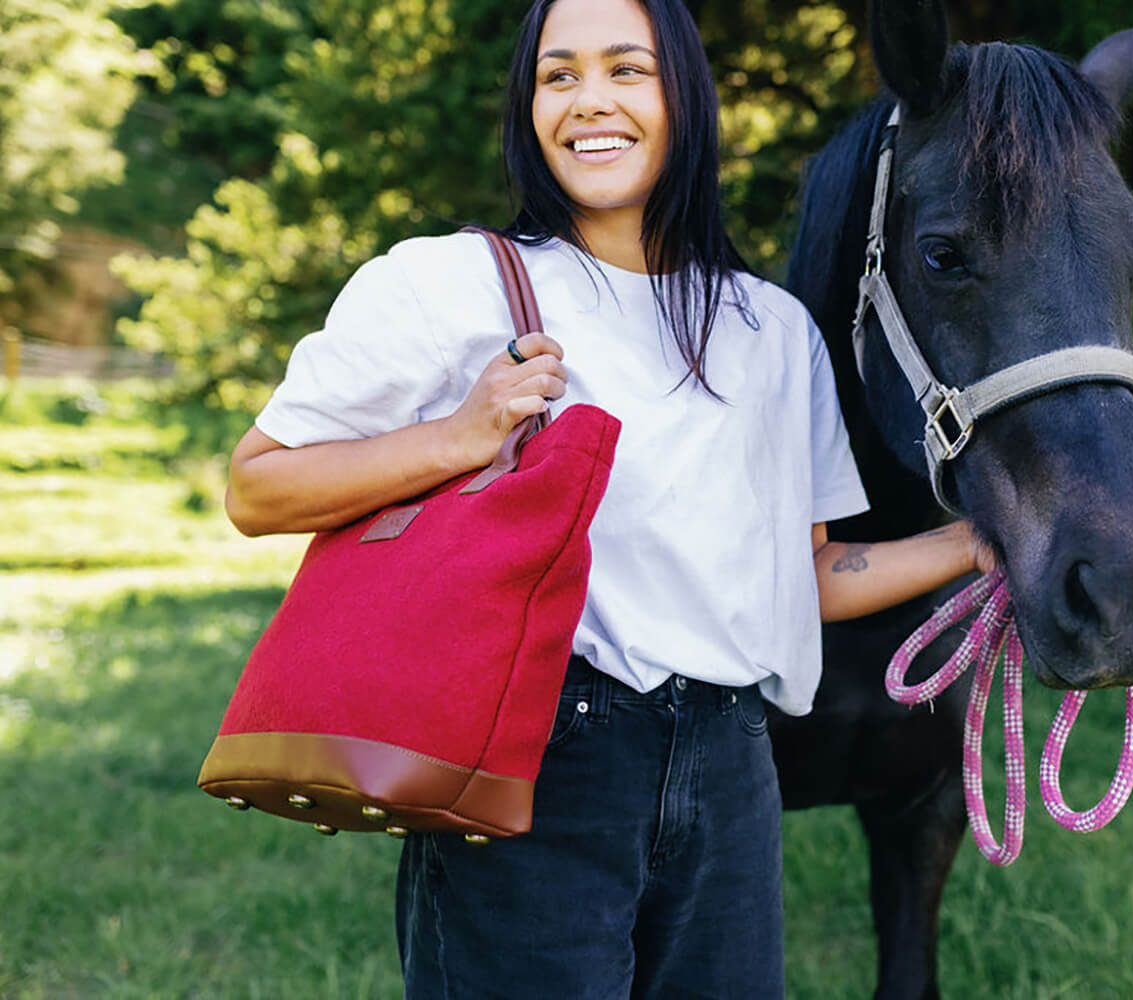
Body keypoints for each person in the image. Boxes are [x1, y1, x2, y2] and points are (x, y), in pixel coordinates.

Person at [225, 0, 992, 995]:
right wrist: (459, 436)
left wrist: (975, 543)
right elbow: (259, 484)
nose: (591, 101)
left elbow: (800, 577)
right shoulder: (446, 284)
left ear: (685, 97)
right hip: (540, 760)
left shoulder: (771, 329)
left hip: (734, 768)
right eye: (559, 75)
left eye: (627, 70)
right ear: (528, 105)